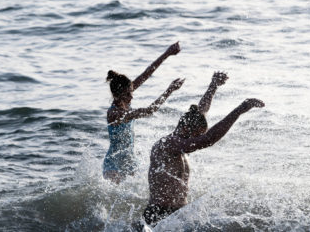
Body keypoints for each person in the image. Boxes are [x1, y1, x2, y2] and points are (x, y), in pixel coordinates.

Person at [142, 72, 265, 226]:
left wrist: (213, 86)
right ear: (186, 128)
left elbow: (201, 111)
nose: (197, 139)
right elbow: (207, 140)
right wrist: (239, 110)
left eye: (199, 135)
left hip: (178, 214)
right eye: (196, 135)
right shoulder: (168, 143)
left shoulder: (182, 140)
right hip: (159, 214)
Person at [103, 41, 184, 184]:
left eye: (131, 92)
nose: (131, 96)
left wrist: (167, 54)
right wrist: (169, 90)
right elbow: (150, 110)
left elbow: (147, 73)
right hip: (113, 164)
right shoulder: (114, 114)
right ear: (117, 95)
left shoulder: (126, 101)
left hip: (130, 161)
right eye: (128, 94)